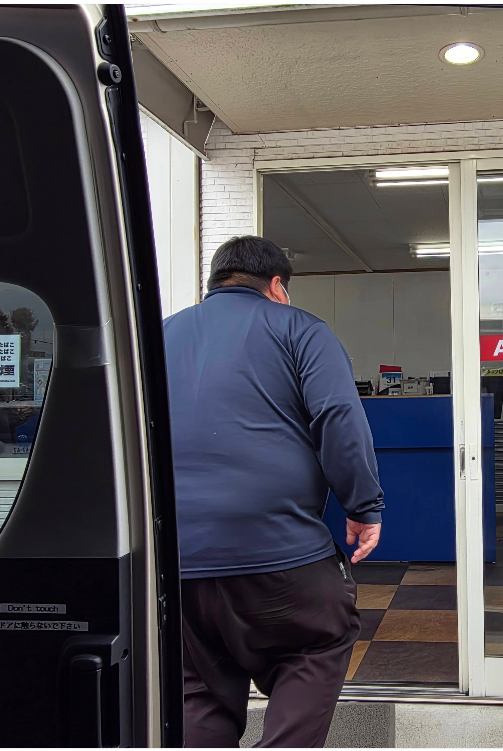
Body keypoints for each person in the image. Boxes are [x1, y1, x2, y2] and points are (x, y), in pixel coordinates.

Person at [163, 235, 384, 748]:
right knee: (318, 641)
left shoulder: (159, 334)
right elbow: (338, 418)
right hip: (278, 550)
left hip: (176, 559)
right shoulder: (299, 328)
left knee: (198, 690)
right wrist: (363, 506)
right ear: (278, 285)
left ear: (216, 281)